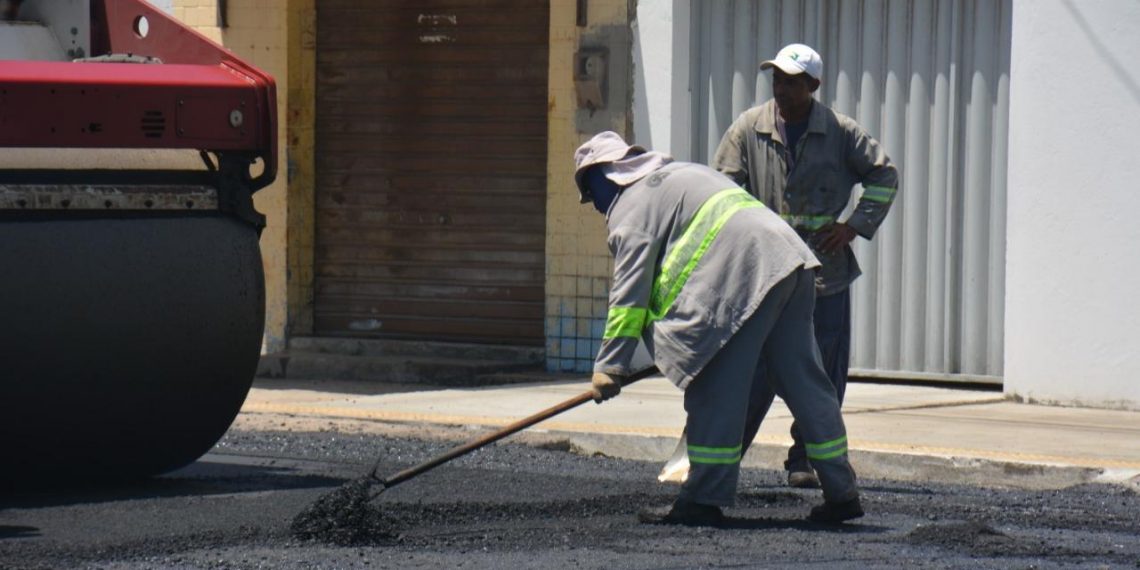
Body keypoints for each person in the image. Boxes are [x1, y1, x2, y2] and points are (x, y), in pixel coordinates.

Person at [575, 130, 863, 526]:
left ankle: (702, 499)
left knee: (713, 388)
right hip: (790, 259)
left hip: (747, 276)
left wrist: (610, 366)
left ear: (604, 176)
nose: (594, 207)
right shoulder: (681, 174)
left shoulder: (632, 205)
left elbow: (630, 291)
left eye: (591, 194)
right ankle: (842, 491)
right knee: (805, 382)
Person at [711, 43, 898, 489]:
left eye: (791, 82)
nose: (781, 90)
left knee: (822, 372)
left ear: (812, 86)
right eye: (776, 80)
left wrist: (853, 226)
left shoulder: (840, 132)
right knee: (751, 368)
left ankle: (806, 459)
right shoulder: (748, 129)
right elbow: (721, 188)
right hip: (764, 274)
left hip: (823, 275)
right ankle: (720, 462)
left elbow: (883, 176)